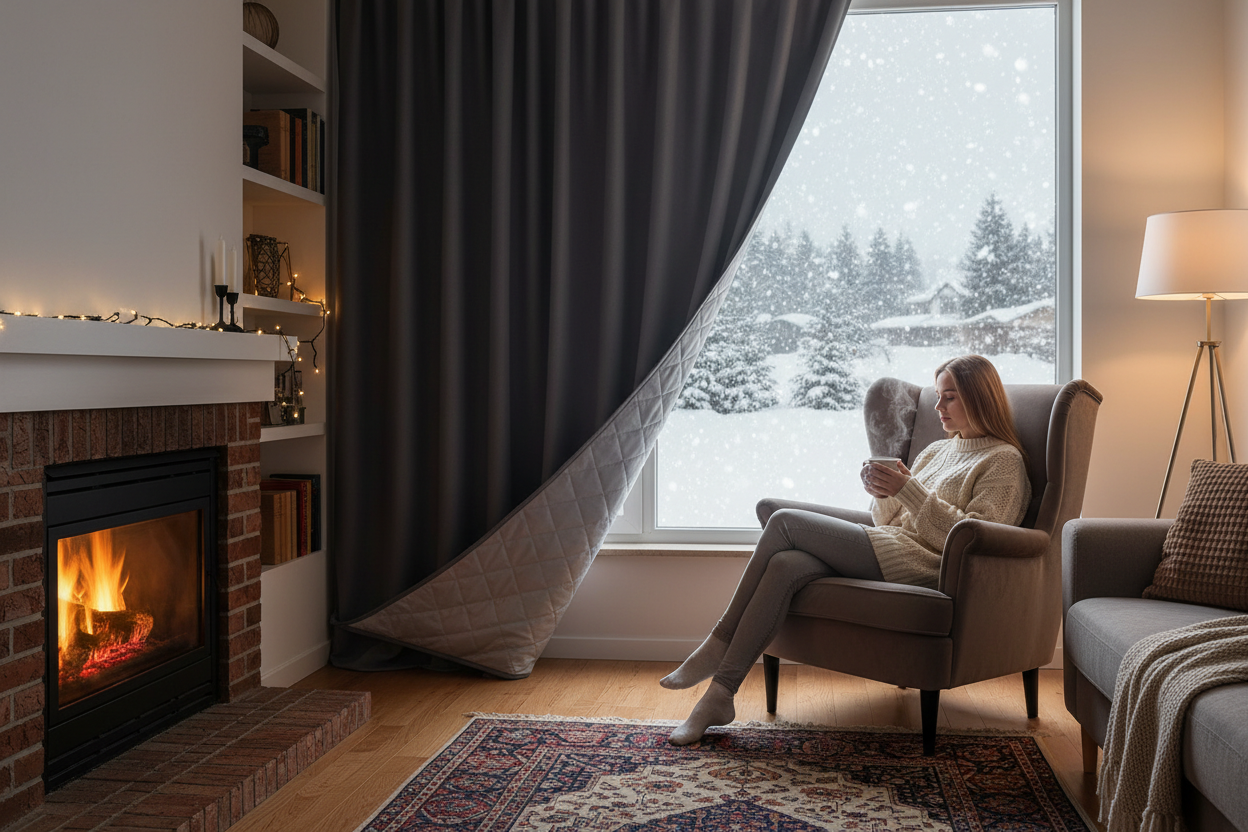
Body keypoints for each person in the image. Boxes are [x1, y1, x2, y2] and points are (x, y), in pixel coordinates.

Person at [659, 354, 1032, 746]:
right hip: (893, 546)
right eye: (938, 396)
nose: (938, 407)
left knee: (784, 521)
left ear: (979, 397)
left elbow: (973, 543)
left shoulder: (1004, 462)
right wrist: (885, 491)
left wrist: (908, 490)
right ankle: (721, 694)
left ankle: (717, 643)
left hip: (925, 565)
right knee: (787, 564)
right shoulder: (936, 452)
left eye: (949, 397)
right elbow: (887, 521)